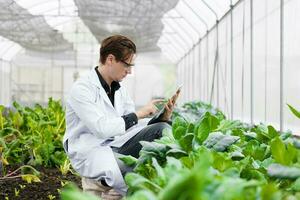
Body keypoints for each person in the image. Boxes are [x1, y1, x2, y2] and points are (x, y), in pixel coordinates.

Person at [62, 35, 180, 199]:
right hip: (91, 151)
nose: (129, 71)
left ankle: (115, 188)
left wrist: (161, 118)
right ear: (110, 59)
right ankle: (106, 186)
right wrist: (140, 113)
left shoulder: (119, 90)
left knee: (162, 129)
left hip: (116, 144)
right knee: (132, 177)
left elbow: (130, 127)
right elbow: (101, 129)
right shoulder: (82, 89)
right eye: (126, 65)